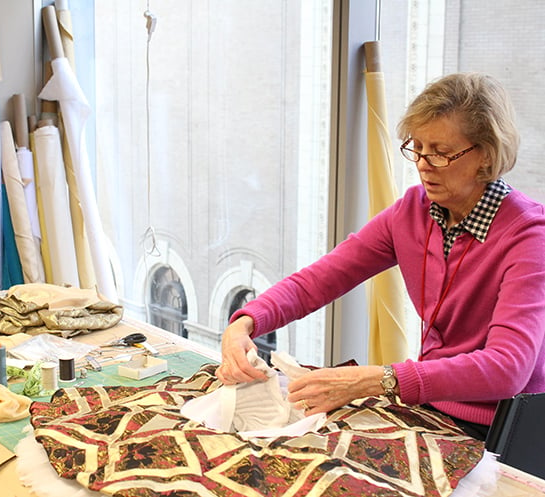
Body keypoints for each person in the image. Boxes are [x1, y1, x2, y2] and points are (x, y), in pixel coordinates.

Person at [216, 72, 545, 441]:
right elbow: (320, 280)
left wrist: (379, 379)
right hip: (434, 409)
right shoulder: (412, 212)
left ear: (485, 154)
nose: (422, 164)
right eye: (416, 148)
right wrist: (245, 323)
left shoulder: (529, 237)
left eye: (440, 152)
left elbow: (507, 368)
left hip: (502, 431)